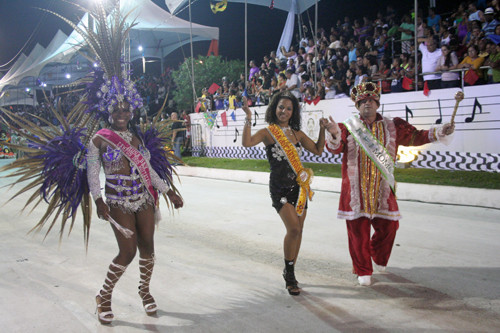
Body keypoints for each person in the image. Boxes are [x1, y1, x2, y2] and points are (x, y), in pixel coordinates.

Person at [323, 82, 455, 286]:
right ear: (357, 106)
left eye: (371, 100)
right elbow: (334, 148)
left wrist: (440, 131)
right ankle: (363, 269)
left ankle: (375, 254)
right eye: (362, 101)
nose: (367, 104)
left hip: (382, 189)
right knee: (357, 232)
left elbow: (415, 136)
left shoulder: (392, 126)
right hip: (356, 190)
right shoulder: (347, 128)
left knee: (390, 227)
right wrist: (333, 133)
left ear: (377, 103)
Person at [87, 99, 184, 324]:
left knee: (148, 247)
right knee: (128, 251)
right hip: (118, 202)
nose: (121, 113)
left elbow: (148, 170)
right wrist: (98, 199)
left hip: (144, 199)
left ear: (131, 114)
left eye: (126, 110)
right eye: (116, 110)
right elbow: (92, 173)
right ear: (108, 114)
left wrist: (168, 192)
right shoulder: (99, 139)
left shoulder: (137, 139)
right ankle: (104, 296)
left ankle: (144, 290)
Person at [241, 91, 327, 296]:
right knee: (294, 229)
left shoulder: (297, 134)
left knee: (299, 230)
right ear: (274, 108)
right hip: (279, 187)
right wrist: (248, 118)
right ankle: (289, 275)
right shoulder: (268, 132)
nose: (284, 111)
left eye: (289, 108)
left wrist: (323, 130)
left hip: (299, 188)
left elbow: (317, 150)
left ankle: (290, 271)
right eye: (281, 107)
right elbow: (246, 143)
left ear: (293, 112)